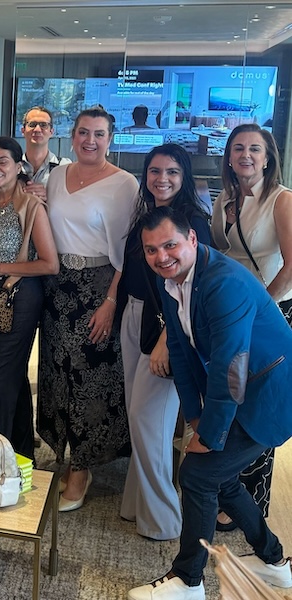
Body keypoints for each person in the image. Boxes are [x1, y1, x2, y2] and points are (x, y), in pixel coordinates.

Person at [128, 207, 292, 600]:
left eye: (170, 245)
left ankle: (188, 581)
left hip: (271, 395)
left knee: (198, 475)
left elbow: (230, 367)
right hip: (242, 390)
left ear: (192, 239)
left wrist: (211, 433)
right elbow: (181, 353)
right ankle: (274, 563)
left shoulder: (223, 282)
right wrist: (196, 416)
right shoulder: (171, 281)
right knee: (220, 476)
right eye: (151, 250)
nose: (161, 256)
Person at [37, 106, 137, 512]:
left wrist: (111, 301)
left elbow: (128, 251)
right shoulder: (58, 174)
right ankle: (66, 455)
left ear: (110, 139)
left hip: (98, 287)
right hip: (57, 286)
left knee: (89, 379)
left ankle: (82, 469)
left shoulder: (124, 184)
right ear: (72, 135)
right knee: (57, 373)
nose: (89, 140)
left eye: (98, 134)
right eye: (83, 132)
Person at [117, 144, 211, 541]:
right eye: (155, 171)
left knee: (150, 419)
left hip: (170, 328)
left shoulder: (193, 221)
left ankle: (165, 521)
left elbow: (193, 288)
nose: (162, 179)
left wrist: (167, 341)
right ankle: (137, 503)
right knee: (138, 416)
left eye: (172, 171)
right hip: (136, 316)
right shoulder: (146, 214)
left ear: (184, 176)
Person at [209, 123, 292, 530]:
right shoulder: (224, 198)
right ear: (228, 156)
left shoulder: (281, 199)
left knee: (260, 406)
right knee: (231, 398)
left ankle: (252, 499)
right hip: (232, 312)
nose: (246, 155)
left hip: (269, 315)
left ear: (268, 157)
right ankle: (227, 487)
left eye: (255, 149)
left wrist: (261, 308)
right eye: (238, 148)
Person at [0, 137, 58, 460]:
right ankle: (20, 455)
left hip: (20, 301)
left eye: (3, 162)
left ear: (19, 166)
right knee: (14, 379)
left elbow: (50, 264)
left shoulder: (31, 205)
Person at [19, 106, 71, 200]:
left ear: (51, 131)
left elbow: (73, 201)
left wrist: (50, 196)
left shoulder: (65, 167)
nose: (37, 129)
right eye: (32, 124)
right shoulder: (12, 168)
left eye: (43, 125)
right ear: (23, 131)